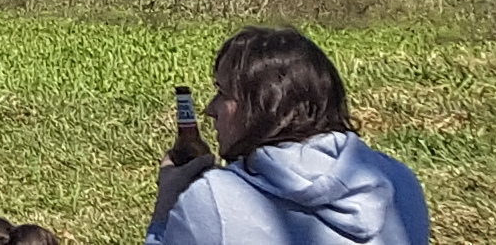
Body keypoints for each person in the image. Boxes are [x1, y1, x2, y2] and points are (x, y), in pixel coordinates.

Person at [147, 26, 429, 245]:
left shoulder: (213, 197)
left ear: (265, 105)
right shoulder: (400, 181)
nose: (210, 109)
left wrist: (166, 208)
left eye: (223, 94)